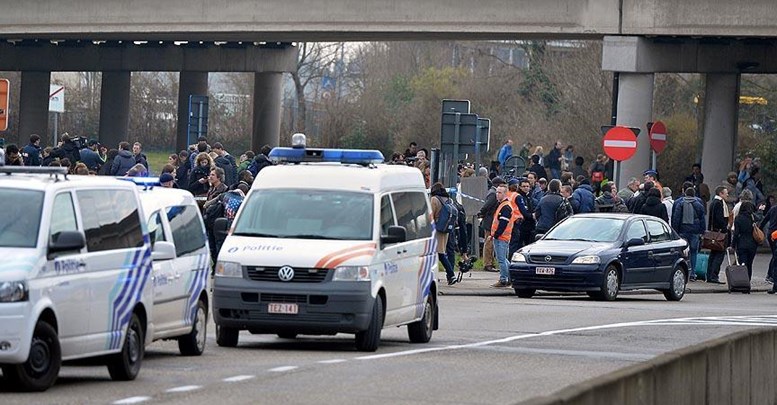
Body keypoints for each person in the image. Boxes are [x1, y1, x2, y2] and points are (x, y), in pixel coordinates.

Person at [671, 186, 706, 282]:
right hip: (695, 231)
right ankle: (693, 273)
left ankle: (684, 271)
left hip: (682, 231)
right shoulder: (698, 204)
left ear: (685, 194)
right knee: (694, 252)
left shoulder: (680, 204)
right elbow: (702, 219)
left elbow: (676, 218)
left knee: (683, 253)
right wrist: (702, 231)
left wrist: (675, 231)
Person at [430, 183, 457, 285]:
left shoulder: (434, 199)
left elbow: (431, 214)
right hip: (446, 230)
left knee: (440, 254)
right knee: (440, 252)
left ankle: (451, 274)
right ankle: (447, 275)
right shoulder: (448, 199)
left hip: (436, 229)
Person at [477, 177, 505, 272]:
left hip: (489, 220)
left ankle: (490, 262)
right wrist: (481, 213)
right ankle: (488, 263)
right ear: (497, 184)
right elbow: (487, 206)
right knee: (489, 243)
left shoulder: (492, 192)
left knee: (489, 242)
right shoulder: (493, 194)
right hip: (490, 221)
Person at [490, 184, 514, 288]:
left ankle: (504, 279)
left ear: (505, 193)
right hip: (502, 237)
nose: (497, 194)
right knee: (503, 259)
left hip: (502, 237)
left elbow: (503, 224)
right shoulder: (502, 205)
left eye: (499, 192)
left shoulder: (506, 207)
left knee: (501, 259)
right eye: (497, 192)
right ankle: (510, 278)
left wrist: (495, 235)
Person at [706, 186, 730, 284]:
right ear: (720, 193)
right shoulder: (719, 204)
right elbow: (720, 219)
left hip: (714, 232)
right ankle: (714, 275)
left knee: (713, 254)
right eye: (726, 193)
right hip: (719, 233)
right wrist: (725, 228)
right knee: (719, 254)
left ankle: (710, 275)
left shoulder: (714, 203)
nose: (727, 194)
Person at [731, 201, 759, 282]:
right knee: (749, 265)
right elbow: (760, 218)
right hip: (752, 244)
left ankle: (742, 282)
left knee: (743, 264)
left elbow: (736, 234)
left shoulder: (738, 218)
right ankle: (748, 282)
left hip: (742, 244)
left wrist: (733, 245)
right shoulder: (753, 217)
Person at [516, 178, 536, 249]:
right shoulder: (519, 197)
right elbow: (523, 211)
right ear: (520, 187)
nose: (526, 188)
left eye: (527, 186)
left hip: (530, 225)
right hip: (522, 225)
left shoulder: (529, 197)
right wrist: (532, 216)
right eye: (524, 186)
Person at [763, 203, 777, 291]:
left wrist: (758, 229)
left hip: (771, 233)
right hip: (775, 234)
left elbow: (765, 220)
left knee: (774, 256)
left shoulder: (773, 209)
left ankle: (770, 275)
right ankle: (771, 275)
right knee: (775, 257)